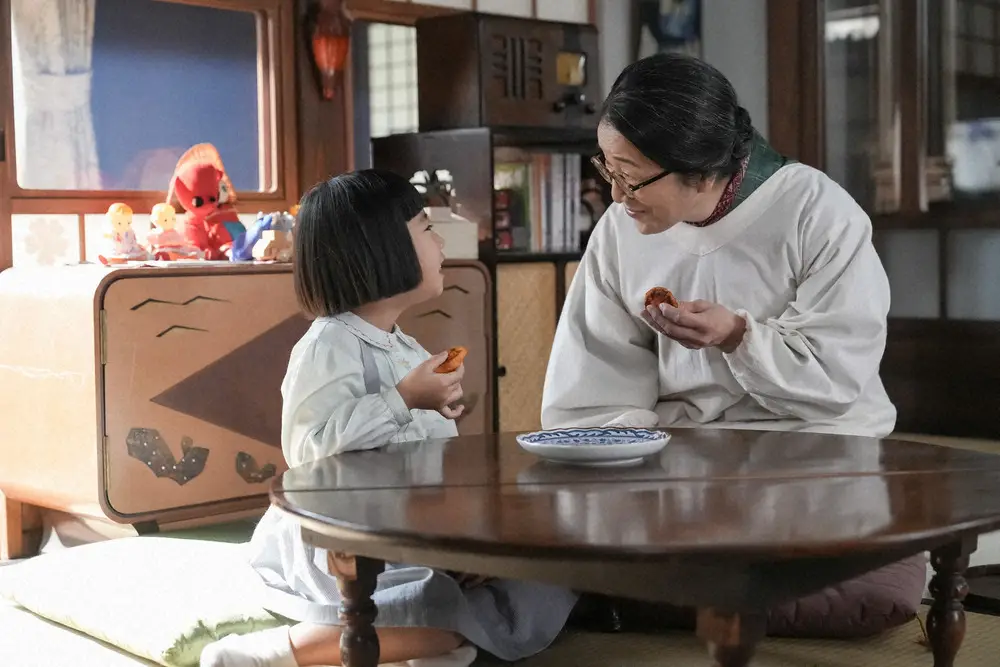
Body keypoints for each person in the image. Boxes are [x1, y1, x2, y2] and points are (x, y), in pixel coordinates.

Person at [543, 54, 924, 638]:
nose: (616, 196)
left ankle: (641, 597)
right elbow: (592, 384)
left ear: (701, 173)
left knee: (881, 590)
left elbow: (838, 375)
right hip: (682, 461)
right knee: (560, 516)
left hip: (811, 452)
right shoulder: (619, 230)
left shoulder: (816, 210)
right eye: (606, 169)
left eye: (630, 176)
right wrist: (630, 463)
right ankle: (683, 590)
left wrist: (738, 337)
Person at [201, 170, 577, 667]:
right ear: (379, 247)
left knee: (551, 575)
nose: (441, 242)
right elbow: (310, 454)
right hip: (343, 537)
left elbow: (426, 458)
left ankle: (442, 639)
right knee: (431, 606)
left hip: (410, 528)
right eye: (427, 228)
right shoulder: (329, 344)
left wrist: (435, 413)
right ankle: (272, 653)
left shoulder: (405, 346)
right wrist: (403, 399)